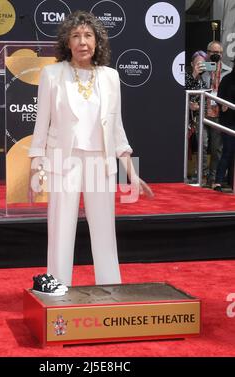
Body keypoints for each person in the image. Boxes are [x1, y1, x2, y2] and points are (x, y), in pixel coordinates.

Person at [28, 10, 153, 288]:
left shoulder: (110, 77)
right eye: (75, 36)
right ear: (67, 42)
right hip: (64, 160)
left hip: (101, 162)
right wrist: (36, 168)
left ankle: (110, 286)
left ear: (97, 41)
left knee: (104, 230)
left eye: (88, 35)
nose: (82, 42)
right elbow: (40, 126)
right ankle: (57, 285)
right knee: (60, 228)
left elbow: (117, 128)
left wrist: (131, 172)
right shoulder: (51, 74)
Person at [201, 41, 227, 187]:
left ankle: (212, 179)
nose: (215, 55)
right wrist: (199, 70)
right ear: (207, 52)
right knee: (203, 145)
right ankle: (202, 176)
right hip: (202, 111)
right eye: (213, 52)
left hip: (219, 113)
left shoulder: (228, 71)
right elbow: (193, 82)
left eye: (218, 53)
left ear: (222, 55)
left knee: (216, 148)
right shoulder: (202, 67)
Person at [213, 60, 235, 192]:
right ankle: (218, 181)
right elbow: (219, 97)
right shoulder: (227, 79)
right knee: (227, 150)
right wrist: (223, 105)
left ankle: (231, 181)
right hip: (228, 121)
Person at [185, 50, 208, 179]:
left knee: (202, 145)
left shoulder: (204, 81)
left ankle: (200, 173)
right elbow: (185, 91)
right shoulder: (186, 77)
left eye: (203, 64)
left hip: (198, 118)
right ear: (192, 64)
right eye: (198, 63)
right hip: (185, 119)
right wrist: (194, 73)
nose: (200, 66)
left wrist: (199, 106)